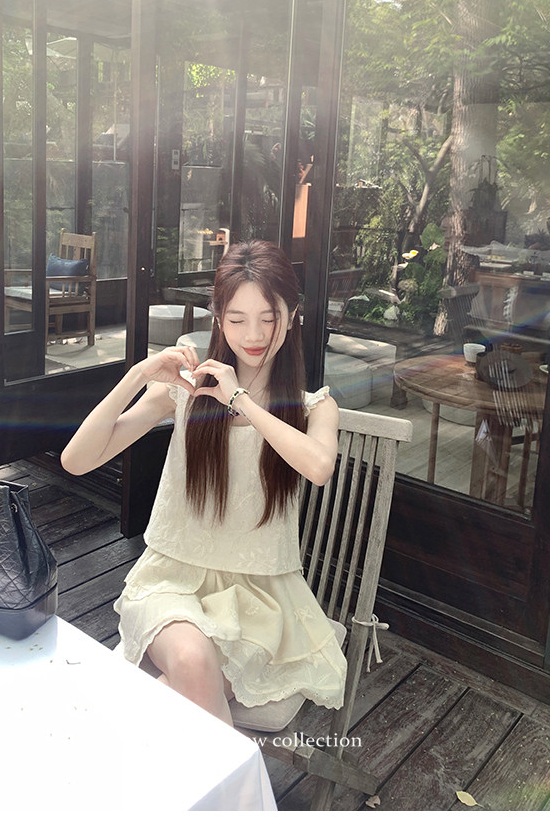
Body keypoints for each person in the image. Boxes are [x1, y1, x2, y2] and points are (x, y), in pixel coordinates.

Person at [61, 240, 346, 726]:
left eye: (269, 318)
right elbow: (76, 460)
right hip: (172, 583)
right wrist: (138, 375)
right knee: (193, 662)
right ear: (218, 319)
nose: (253, 335)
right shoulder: (186, 392)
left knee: (178, 694)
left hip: (261, 603)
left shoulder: (314, 406)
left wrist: (240, 400)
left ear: (293, 315)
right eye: (236, 319)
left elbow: (318, 467)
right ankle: (239, 778)